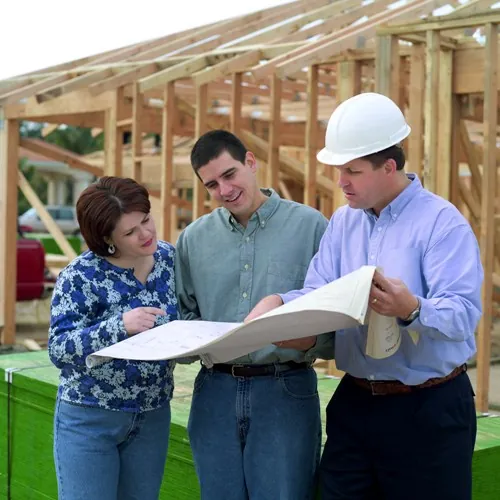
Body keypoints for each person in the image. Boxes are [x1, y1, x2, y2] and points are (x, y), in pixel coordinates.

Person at [247, 92, 483, 500]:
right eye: (341, 170)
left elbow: (464, 316)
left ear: (388, 167)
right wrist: (283, 305)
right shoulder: (343, 222)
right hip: (355, 405)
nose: (341, 182)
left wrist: (412, 309)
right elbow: (320, 289)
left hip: (428, 411)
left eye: (352, 171)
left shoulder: (442, 224)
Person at [175, 130, 335, 500]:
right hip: (213, 392)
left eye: (230, 174)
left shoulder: (312, 228)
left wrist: (307, 338)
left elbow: (336, 322)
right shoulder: (192, 240)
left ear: (251, 162)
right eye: (212, 184)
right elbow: (182, 317)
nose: (224, 190)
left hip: (285, 391)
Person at [48, 176, 178, 500]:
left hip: (153, 414)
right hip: (90, 417)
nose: (146, 234)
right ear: (107, 238)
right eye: (130, 232)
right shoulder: (79, 276)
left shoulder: (170, 260)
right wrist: (119, 326)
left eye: (146, 220)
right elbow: (59, 347)